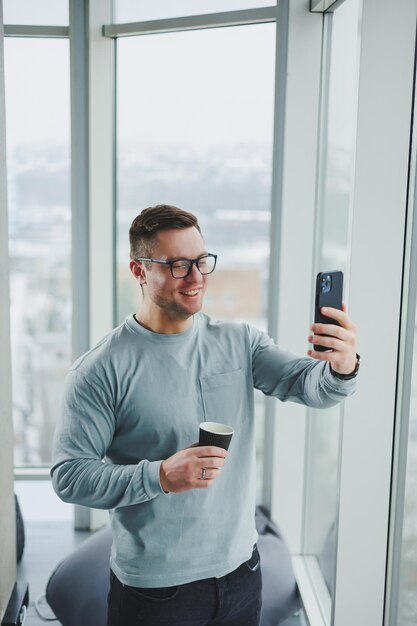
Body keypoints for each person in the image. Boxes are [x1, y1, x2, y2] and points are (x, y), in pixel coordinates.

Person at [51, 204, 359, 626]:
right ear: (139, 271)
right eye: (178, 265)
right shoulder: (99, 370)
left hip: (242, 573)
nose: (196, 277)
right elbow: (70, 476)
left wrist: (342, 366)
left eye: (201, 261)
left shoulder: (240, 342)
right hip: (155, 593)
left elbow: (312, 387)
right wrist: (160, 475)